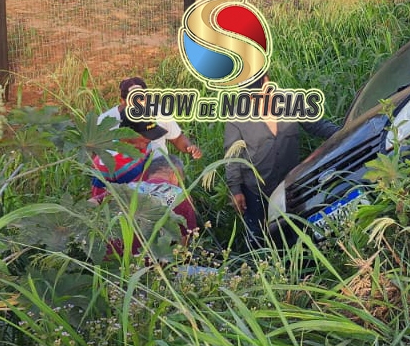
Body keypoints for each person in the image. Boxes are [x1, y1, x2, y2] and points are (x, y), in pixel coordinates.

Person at [224, 75, 340, 248]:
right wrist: (235, 189)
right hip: (257, 191)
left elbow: (317, 126)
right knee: (260, 237)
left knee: (298, 229)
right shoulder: (236, 117)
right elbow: (232, 156)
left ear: (267, 81)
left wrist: (345, 133)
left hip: (290, 184)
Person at [99, 76, 203, 161]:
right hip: (125, 177)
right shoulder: (105, 121)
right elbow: (96, 155)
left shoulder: (159, 112)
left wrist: (190, 148)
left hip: (159, 170)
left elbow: (176, 138)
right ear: (122, 100)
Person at [90, 115, 166, 199]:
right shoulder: (106, 161)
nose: (150, 139)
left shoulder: (145, 144)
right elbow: (97, 199)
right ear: (128, 134)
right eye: (146, 136)